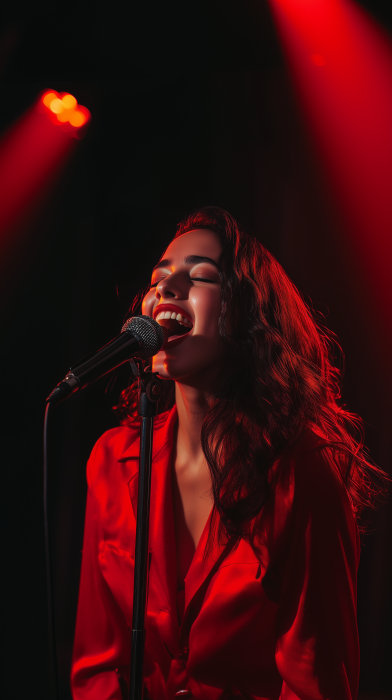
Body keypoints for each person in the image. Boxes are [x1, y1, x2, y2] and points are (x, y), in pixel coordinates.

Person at [71, 206, 382, 700]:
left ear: (247, 314)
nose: (166, 288)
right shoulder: (112, 461)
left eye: (201, 277)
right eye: (159, 279)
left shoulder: (303, 470)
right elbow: (96, 668)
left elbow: (317, 681)